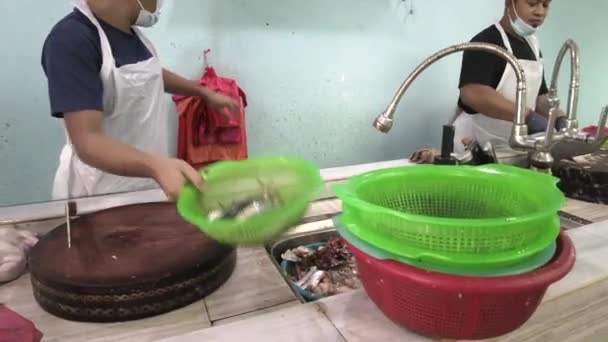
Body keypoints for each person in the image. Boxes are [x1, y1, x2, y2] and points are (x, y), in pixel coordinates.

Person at [41, 0, 239, 201]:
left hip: (144, 184)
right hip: (99, 196)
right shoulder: (72, 40)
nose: (160, 3)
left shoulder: (130, 33)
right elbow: (88, 142)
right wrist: (156, 165)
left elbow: (147, 76)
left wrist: (200, 90)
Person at [453, 0, 565, 155]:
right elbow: (473, 93)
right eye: (532, 4)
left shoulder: (532, 46)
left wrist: (558, 117)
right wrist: (527, 116)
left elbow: (539, 95)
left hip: (512, 146)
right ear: (509, 3)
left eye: (545, 5)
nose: (540, 12)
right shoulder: (486, 42)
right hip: (476, 145)